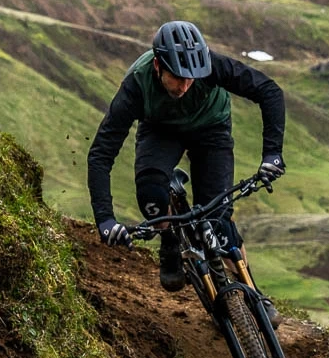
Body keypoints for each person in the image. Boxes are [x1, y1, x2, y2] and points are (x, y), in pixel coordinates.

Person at [89, 21, 286, 291]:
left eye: (191, 78)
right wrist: (105, 220)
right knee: (151, 196)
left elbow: (269, 91)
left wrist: (272, 154)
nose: (185, 86)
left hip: (211, 129)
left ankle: (252, 292)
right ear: (158, 66)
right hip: (161, 131)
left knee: (218, 220)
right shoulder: (136, 85)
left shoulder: (211, 66)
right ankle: (169, 241)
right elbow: (102, 153)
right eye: (178, 77)